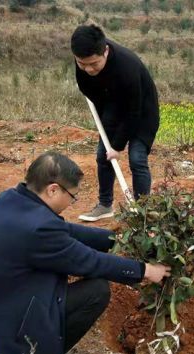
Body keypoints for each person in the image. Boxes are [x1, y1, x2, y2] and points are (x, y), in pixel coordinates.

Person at [0, 151, 170, 354]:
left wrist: (121, 239)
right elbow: (89, 261)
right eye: (72, 196)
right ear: (53, 189)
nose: (72, 202)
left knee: (68, 285)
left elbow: (67, 231)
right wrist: (145, 270)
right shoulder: (38, 229)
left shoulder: (13, 200)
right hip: (0, 331)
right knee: (96, 291)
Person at [71, 24, 160, 221]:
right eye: (82, 64)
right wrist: (108, 132)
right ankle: (105, 205)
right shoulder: (83, 60)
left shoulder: (126, 68)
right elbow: (90, 91)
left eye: (93, 64)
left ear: (106, 51)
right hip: (113, 105)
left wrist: (117, 146)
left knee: (137, 158)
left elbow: (133, 113)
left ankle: (143, 210)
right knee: (103, 156)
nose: (88, 69)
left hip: (143, 110)